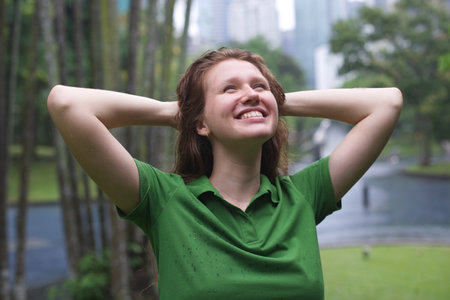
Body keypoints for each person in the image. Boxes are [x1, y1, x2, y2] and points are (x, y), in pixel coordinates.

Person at [47, 48, 402, 299]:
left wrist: (271, 100)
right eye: (230, 88)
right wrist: (180, 111)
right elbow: (67, 103)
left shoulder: (304, 197)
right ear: (200, 124)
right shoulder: (165, 200)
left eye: (257, 85)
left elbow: (386, 103)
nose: (249, 93)